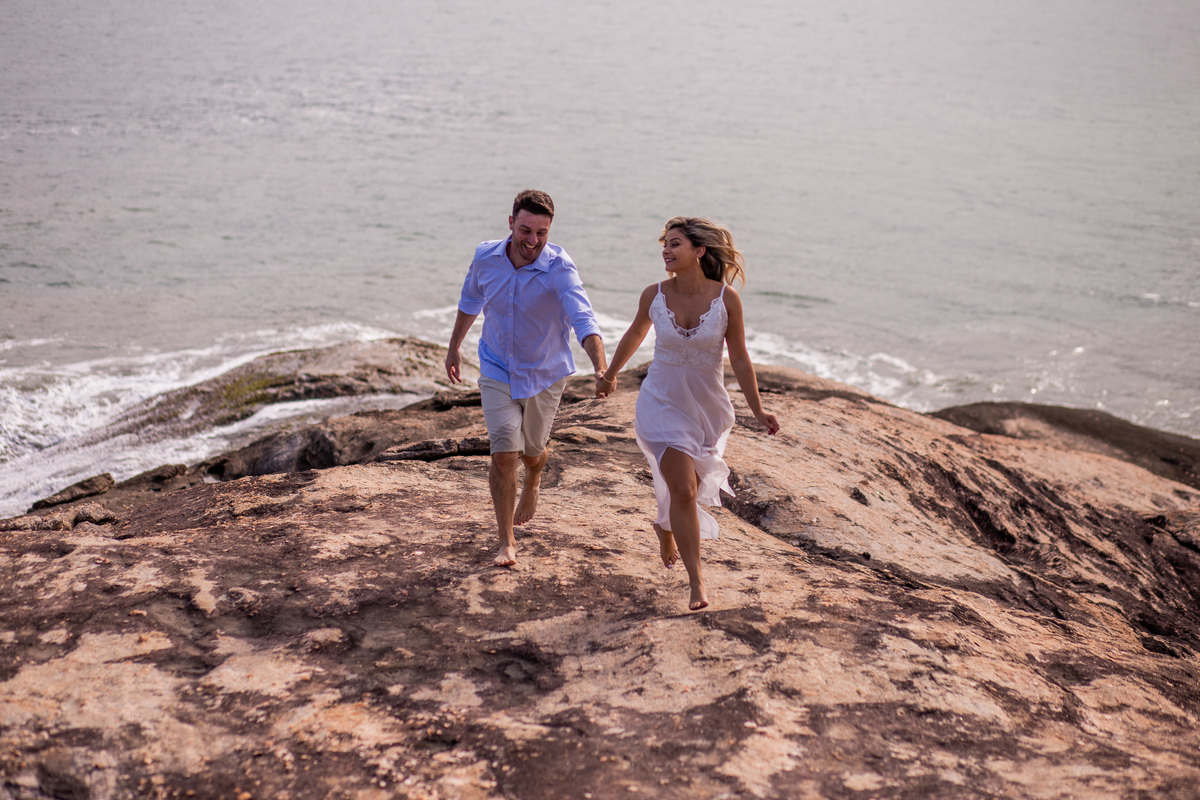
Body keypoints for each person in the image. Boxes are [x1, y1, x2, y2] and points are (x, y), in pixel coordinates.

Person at [596, 217, 779, 610]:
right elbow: (635, 333)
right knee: (682, 489)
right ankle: (697, 583)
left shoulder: (726, 299)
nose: (666, 250)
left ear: (699, 251)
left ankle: (665, 526)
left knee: (687, 491)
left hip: (706, 409)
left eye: (675, 243)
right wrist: (609, 375)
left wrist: (758, 409)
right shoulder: (654, 294)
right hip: (660, 402)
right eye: (665, 244)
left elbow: (740, 358)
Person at [446, 190, 608, 567]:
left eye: (542, 233)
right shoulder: (485, 257)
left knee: (532, 453)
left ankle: (534, 477)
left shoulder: (560, 268)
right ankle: (506, 541)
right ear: (510, 223)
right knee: (504, 454)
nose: (533, 241)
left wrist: (600, 367)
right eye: (525, 230)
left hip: (544, 374)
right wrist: (454, 348)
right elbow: (470, 301)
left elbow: (583, 320)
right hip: (496, 369)